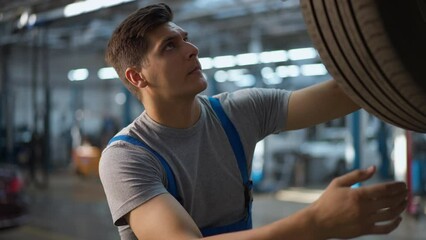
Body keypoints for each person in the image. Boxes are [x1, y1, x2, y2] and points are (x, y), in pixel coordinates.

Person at [99, 3, 408, 240]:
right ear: (137, 76)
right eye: (170, 46)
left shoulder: (238, 113)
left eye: (185, 40)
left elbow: (347, 93)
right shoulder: (127, 157)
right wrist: (315, 223)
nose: (192, 50)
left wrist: (405, 49)